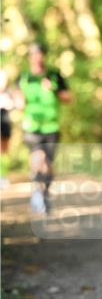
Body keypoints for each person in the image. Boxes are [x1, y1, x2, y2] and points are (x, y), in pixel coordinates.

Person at [15, 42, 72, 214]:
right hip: (31, 126)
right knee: (37, 158)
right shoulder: (23, 78)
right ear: (29, 58)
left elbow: (68, 98)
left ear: (43, 56)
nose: (36, 57)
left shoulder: (54, 75)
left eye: (39, 54)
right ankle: (37, 195)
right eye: (33, 54)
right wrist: (19, 101)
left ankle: (44, 191)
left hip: (51, 127)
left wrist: (53, 88)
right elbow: (19, 103)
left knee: (48, 164)